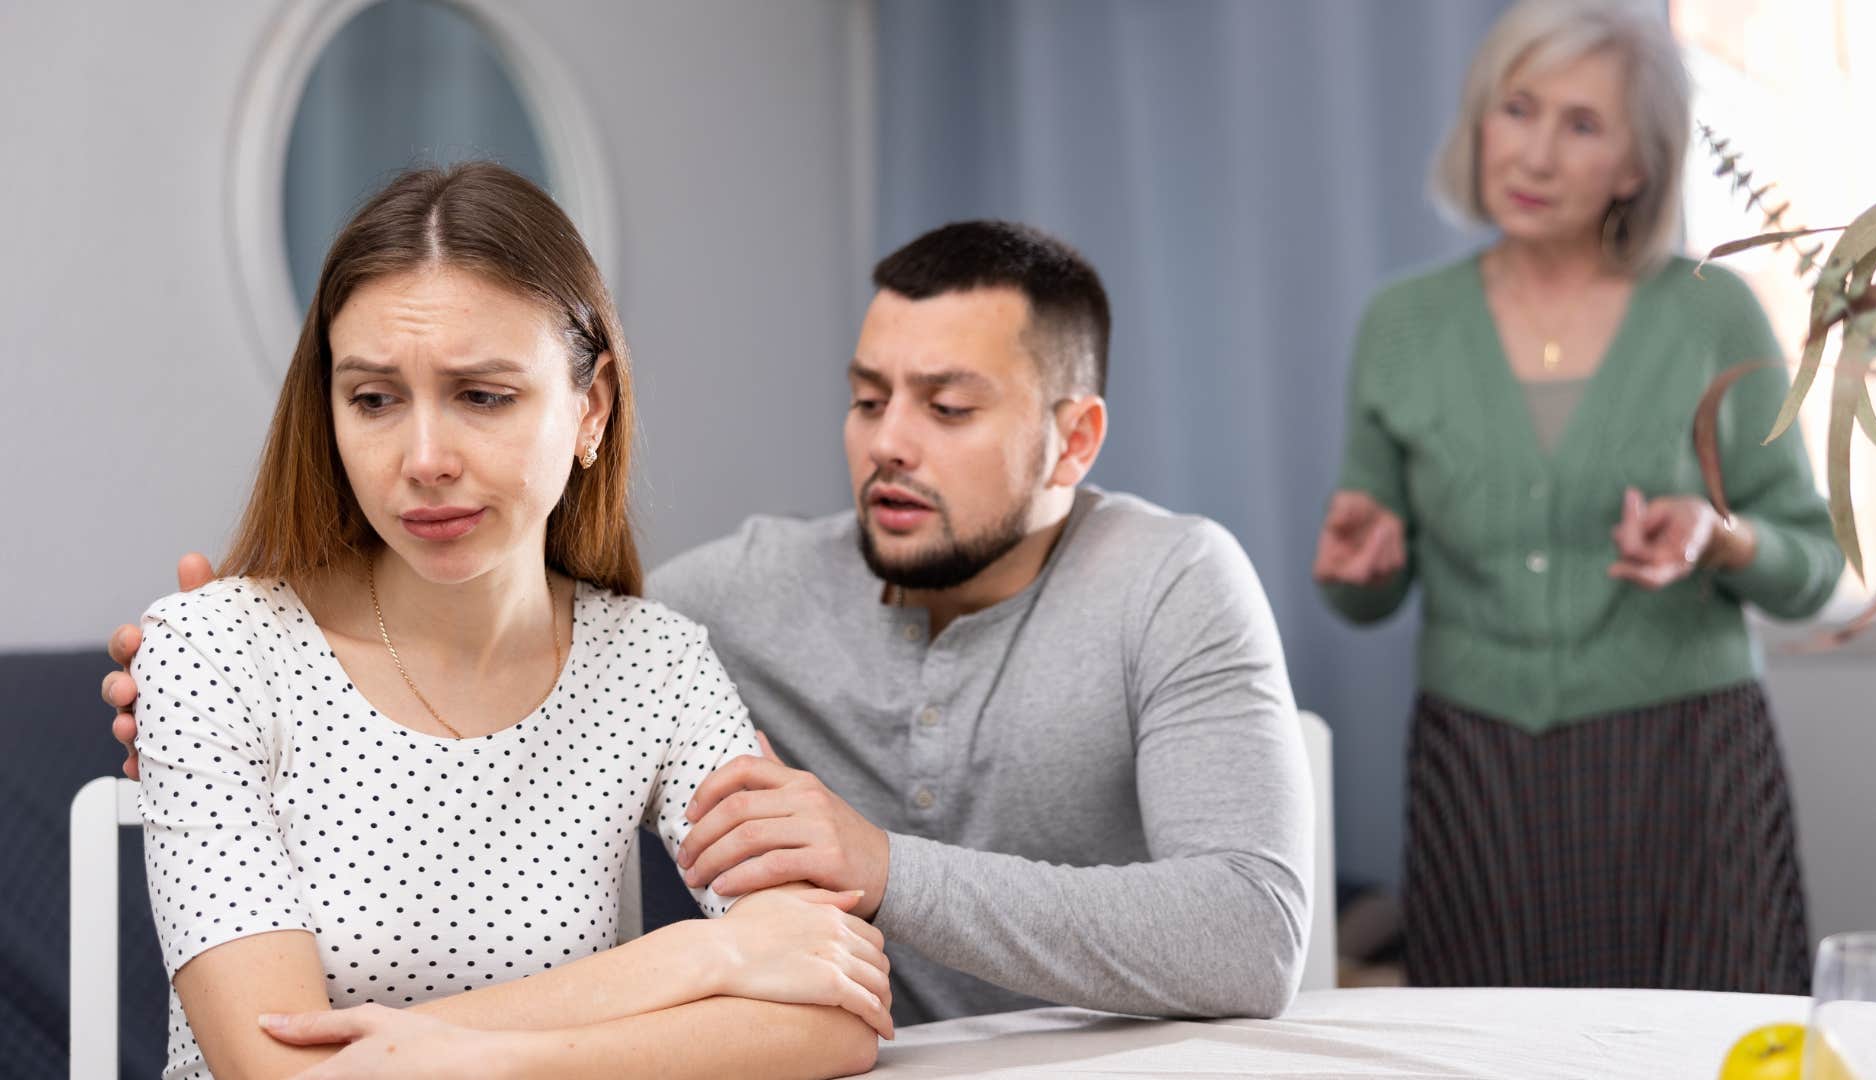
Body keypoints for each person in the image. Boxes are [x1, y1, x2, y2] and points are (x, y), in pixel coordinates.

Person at [111, 219, 1315, 1026]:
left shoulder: (1171, 580)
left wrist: (884, 869)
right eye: (866, 397)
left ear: (1078, 436)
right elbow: (510, 622)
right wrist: (217, 676)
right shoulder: (726, 598)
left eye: (948, 405)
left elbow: (1251, 935)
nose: (890, 439)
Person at [122, 163, 888, 1080]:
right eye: (373, 399)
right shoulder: (209, 651)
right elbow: (284, 1070)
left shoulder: (655, 665)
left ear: (590, 408)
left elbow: (838, 1011)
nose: (425, 458)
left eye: (483, 396)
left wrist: (454, 1056)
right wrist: (696, 958)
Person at [1313, 0, 1839, 992]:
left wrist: (1721, 540)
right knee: (1488, 1053)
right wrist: (1356, 568)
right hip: (1478, 768)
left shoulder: (1711, 313)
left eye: (1583, 125)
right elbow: (1366, 580)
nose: (1536, 154)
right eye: (1518, 108)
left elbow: (1810, 566)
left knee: (1711, 1047)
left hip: (1688, 762)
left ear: (1636, 166)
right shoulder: (1403, 325)